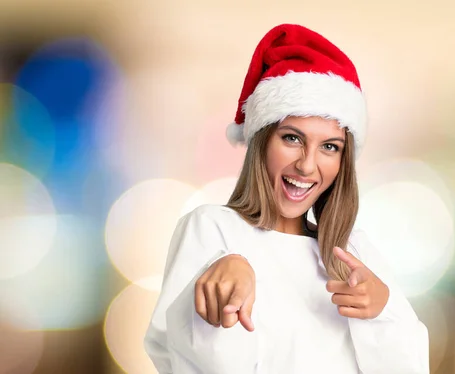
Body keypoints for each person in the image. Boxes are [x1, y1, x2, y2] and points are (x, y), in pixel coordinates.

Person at [144, 23, 430, 374]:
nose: (307, 165)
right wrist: (220, 299)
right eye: (292, 138)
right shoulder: (213, 229)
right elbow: (183, 358)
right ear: (262, 141)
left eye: (329, 147)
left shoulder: (356, 252)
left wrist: (383, 311)